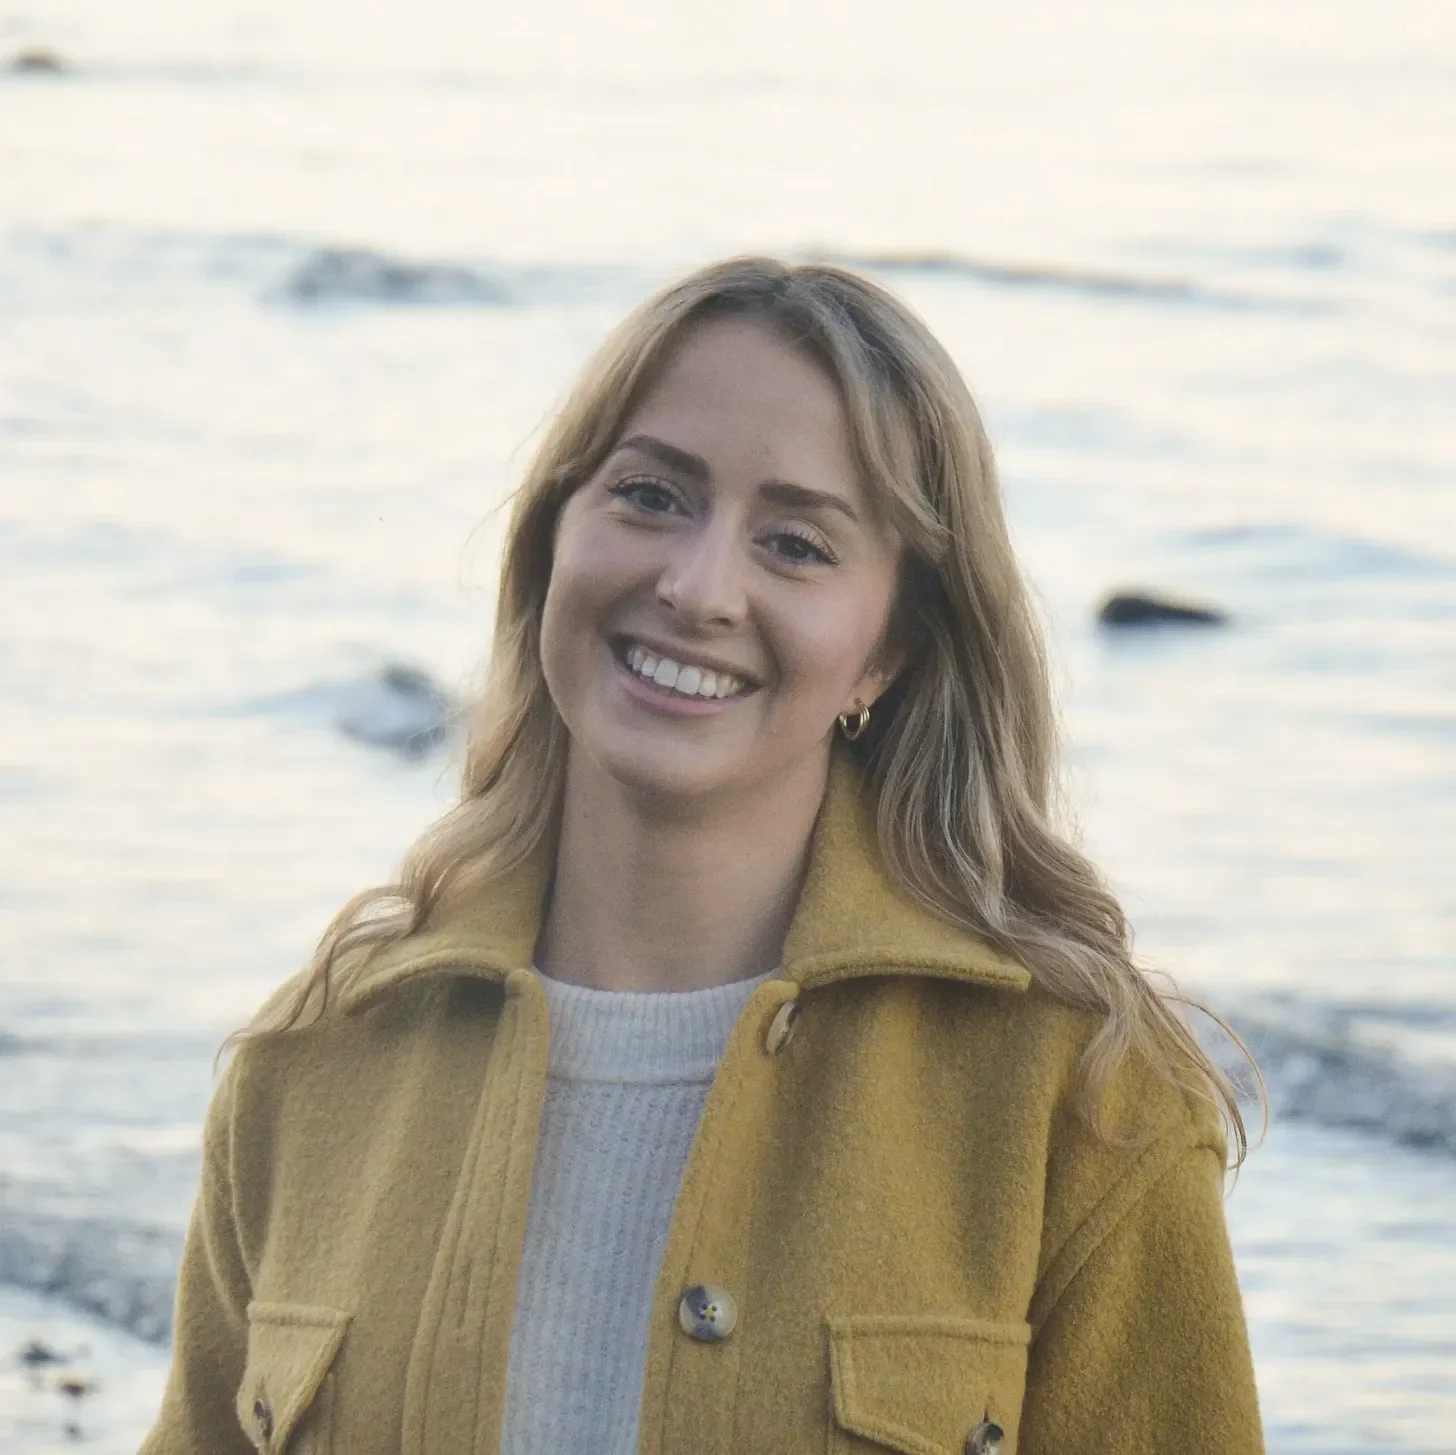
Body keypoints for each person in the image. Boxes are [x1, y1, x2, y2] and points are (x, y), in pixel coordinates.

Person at [141, 257, 1264, 1455]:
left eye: (796, 545)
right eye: (650, 496)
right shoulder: (314, 1066)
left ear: (887, 654)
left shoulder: (1078, 1100)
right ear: (549, 546)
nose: (697, 588)